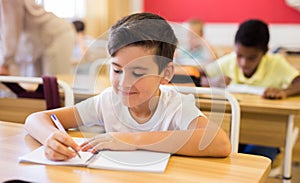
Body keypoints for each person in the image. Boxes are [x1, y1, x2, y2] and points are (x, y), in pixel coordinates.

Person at [24, 12, 231, 161]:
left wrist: (133, 139)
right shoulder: (107, 101)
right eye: (117, 70)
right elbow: (35, 119)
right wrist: (50, 138)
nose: (124, 83)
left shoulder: (175, 106)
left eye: (138, 73)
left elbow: (220, 143)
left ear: (166, 73)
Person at [201, 19, 300, 171]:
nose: (243, 63)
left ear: (265, 51)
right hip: (233, 131)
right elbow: (200, 76)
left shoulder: (276, 64)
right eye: (239, 55)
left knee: (251, 162)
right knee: (222, 157)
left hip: (266, 135)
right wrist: (211, 81)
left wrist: (284, 92)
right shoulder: (229, 62)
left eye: (251, 58)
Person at [0, 0, 76, 77]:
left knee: (53, 82)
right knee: (36, 83)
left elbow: (11, 29)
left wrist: (6, 63)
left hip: (56, 34)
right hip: (37, 42)